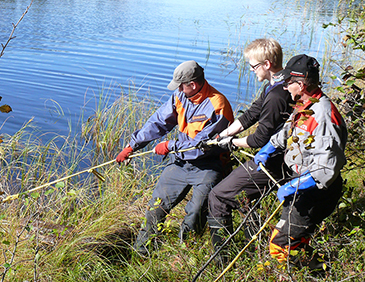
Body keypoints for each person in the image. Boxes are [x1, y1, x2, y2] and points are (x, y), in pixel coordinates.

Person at [115, 60, 234, 255]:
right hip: (180, 162)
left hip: (209, 165)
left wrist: (170, 145)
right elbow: (158, 122)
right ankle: (141, 252)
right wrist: (132, 146)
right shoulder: (180, 95)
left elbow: (202, 146)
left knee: (195, 213)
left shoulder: (218, 105)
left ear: (193, 85)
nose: (178, 89)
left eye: (181, 85)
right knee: (156, 207)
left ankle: (185, 253)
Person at [203, 39, 294, 262]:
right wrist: (224, 135)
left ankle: (222, 259)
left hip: (273, 162)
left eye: (253, 66)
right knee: (247, 200)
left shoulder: (276, 97)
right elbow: (250, 115)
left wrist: (232, 144)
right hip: (272, 156)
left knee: (217, 196)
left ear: (267, 64)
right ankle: (254, 252)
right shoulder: (276, 85)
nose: (251, 71)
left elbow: (260, 138)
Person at [254, 54, 346, 272]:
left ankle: (309, 274)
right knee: (294, 239)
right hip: (301, 184)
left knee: (280, 245)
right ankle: (321, 269)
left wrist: (294, 186)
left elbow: (326, 170)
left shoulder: (323, 115)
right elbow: (290, 131)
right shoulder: (306, 104)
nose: (285, 88)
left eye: (288, 83)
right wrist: (268, 148)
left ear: (301, 84)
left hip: (316, 191)